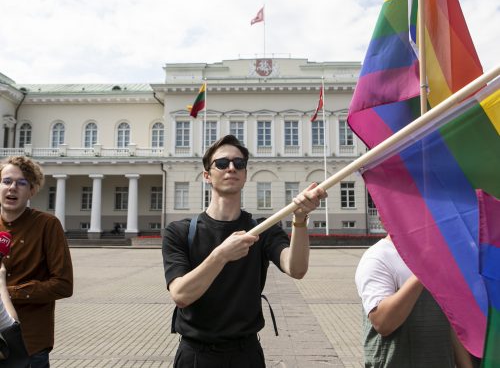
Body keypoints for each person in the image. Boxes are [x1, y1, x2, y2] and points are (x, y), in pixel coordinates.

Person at [162, 134, 327, 367]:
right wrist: (221, 255)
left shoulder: (262, 229)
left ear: (246, 175)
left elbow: (296, 268)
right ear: (207, 176)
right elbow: (181, 295)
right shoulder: (179, 232)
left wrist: (299, 219)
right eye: (222, 163)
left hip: (246, 354)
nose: (231, 168)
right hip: (196, 355)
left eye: (239, 164)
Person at [355, 234, 475, 368]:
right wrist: (423, 270)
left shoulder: (439, 255)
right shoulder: (378, 257)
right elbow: (383, 322)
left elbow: (450, 323)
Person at [0, 156, 73, 368]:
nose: (12, 188)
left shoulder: (47, 225)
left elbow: (63, 285)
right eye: (6, 181)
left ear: (32, 190)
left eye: (21, 183)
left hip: (30, 345)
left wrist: (8, 293)